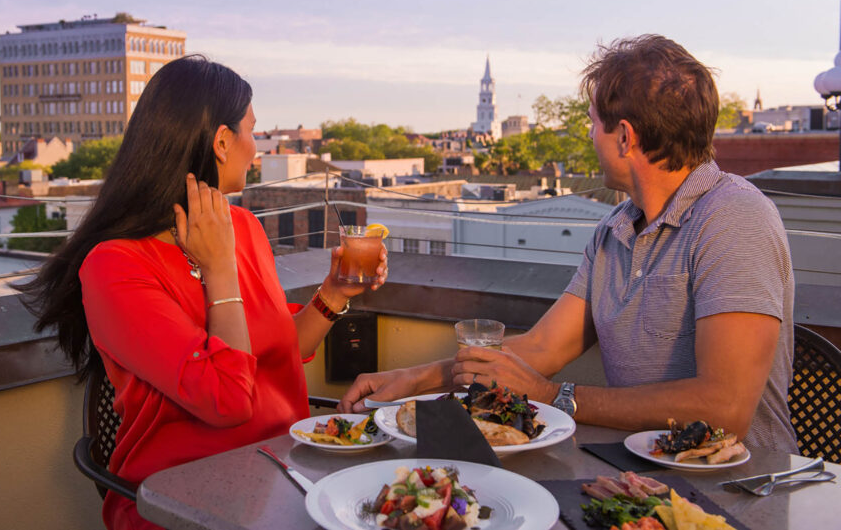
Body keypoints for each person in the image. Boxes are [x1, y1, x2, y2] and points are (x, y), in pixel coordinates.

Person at [341, 35, 797, 452]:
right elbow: (542, 349)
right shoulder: (615, 230)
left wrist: (555, 397)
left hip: (742, 494)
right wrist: (411, 378)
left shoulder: (735, 218)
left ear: (624, 137)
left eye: (592, 124)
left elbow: (724, 409)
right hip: (640, 479)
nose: (588, 136)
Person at [22, 56, 387, 530]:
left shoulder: (245, 227)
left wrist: (334, 292)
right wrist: (218, 268)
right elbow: (230, 401)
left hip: (284, 471)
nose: (256, 150)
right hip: (181, 498)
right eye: (252, 132)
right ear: (220, 141)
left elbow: (278, 353)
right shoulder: (115, 267)